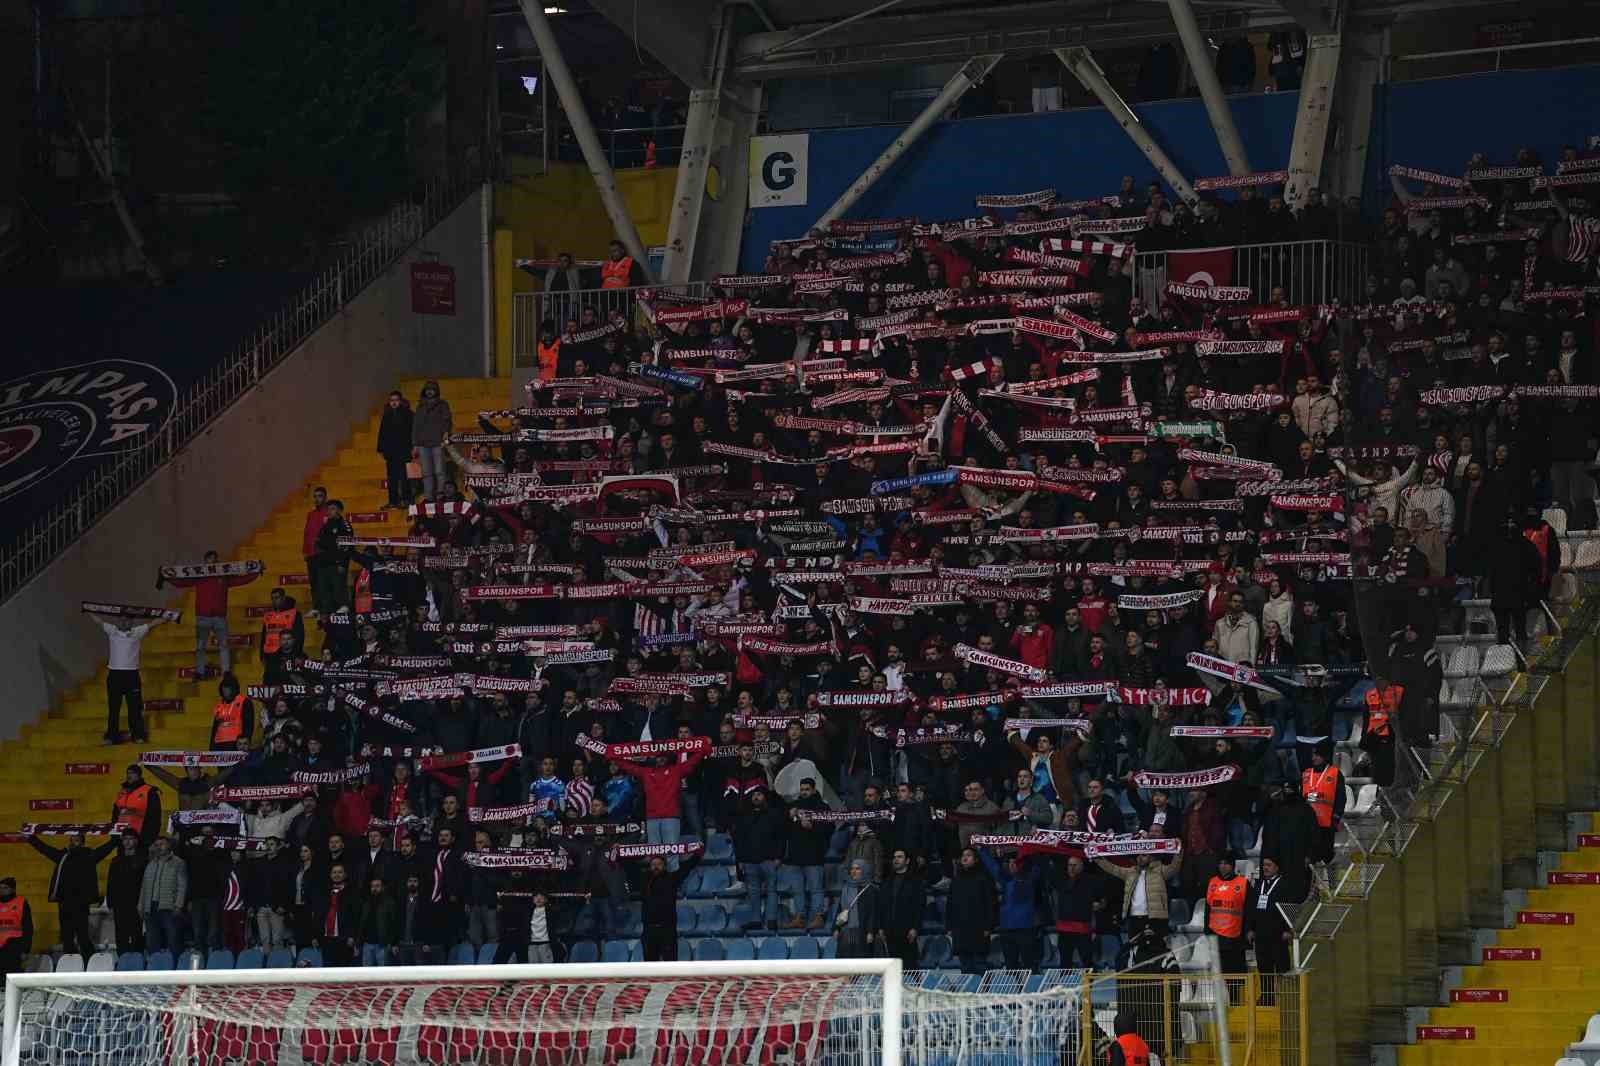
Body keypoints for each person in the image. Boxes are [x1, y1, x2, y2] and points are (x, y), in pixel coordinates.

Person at [157, 551, 260, 678]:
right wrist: (168, 577)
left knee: (223, 644)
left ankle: (226, 671)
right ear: (205, 561)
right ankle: (200, 672)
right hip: (203, 617)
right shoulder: (199, 576)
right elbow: (182, 583)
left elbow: (240, 580)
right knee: (201, 646)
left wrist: (256, 572)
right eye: (210, 559)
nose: (213, 561)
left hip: (219, 617)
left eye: (215, 559)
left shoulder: (223, 576)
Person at [24, 828, 119, 959]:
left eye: (77, 839)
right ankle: (70, 964)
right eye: (72, 839)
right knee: (67, 938)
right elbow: (45, 849)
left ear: (83, 842)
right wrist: (31, 838)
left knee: (82, 937)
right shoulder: (63, 856)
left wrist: (116, 836)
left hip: (81, 903)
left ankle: (89, 963)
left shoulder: (89, 855)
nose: (74, 841)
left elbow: (107, 848)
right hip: (64, 903)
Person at [92, 610, 167, 744]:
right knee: (114, 708)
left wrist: (168, 616)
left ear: (131, 621)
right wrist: (87, 609)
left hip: (132, 675)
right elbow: (98, 621)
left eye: (127, 620)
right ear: (118, 621)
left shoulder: (137, 632)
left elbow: (153, 624)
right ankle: (111, 737)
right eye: (122, 620)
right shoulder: (112, 631)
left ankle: (138, 736)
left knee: (134, 708)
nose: (124, 622)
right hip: (115, 675)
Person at [731, 788, 787, 931]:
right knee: (753, 894)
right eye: (754, 795)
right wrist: (741, 860)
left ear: (765, 797)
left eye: (759, 794)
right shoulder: (745, 816)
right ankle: (756, 920)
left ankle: (771, 920)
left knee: (772, 891)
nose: (756, 797)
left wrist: (779, 857)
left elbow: (781, 837)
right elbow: (740, 839)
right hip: (750, 861)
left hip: (769, 860)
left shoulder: (774, 814)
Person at [979, 847, 1043, 971]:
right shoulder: (1007, 881)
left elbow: (1039, 864)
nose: (1011, 865)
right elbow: (993, 868)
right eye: (1010, 863)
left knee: (1030, 965)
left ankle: (1033, 990)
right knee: (1010, 966)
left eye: (1015, 862)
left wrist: (1035, 845)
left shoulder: (1031, 879)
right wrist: (982, 850)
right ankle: (1015, 989)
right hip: (1007, 929)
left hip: (1026, 929)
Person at [636, 846, 703, 962]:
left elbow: (688, 866)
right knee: (650, 965)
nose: (656, 867)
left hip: (668, 929)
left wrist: (697, 853)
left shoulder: (672, 878)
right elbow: (629, 867)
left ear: (665, 866)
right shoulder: (643, 879)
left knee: (670, 962)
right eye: (653, 864)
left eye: (659, 864)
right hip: (649, 929)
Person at [1095, 848, 1179, 940]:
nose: (1139, 858)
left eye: (1144, 855)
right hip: (1133, 919)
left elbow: (1175, 867)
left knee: (1156, 949)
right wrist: (1096, 856)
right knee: (1134, 949)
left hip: (1155, 918)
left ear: (1151, 857)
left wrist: (1179, 849)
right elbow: (1112, 868)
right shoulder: (1130, 872)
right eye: (1138, 855)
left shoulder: (1160, 871)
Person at [1300, 740, 1344, 901]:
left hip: (1326, 825)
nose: (1314, 758)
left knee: (1328, 857)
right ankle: (1313, 892)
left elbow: (1340, 799)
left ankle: (1333, 888)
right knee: (1310, 859)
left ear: (1325, 756)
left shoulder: (1334, 773)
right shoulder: (1305, 774)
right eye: (1313, 754)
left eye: (1317, 754)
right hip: (1308, 826)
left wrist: (1335, 819)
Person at [1206, 853, 1250, 1004]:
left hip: (1235, 936)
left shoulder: (1243, 883)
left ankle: (1236, 1003)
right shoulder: (1213, 882)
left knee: (1235, 973)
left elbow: (1248, 911)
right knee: (1220, 972)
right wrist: (1207, 931)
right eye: (1221, 863)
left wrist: (1246, 932)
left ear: (1233, 866)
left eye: (1226, 863)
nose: (1223, 866)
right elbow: (1208, 908)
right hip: (1216, 935)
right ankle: (1223, 1004)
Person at [1251, 856, 1294, 1004]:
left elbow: (1290, 909)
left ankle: (1286, 998)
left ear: (1277, 867)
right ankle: (1267, 997)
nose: (1265, 868)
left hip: (1278, 935)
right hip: (1261, 934)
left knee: (1281, 967)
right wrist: (1251, 929)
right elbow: (1251, 908)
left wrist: (1288, 929)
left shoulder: (1285, 885)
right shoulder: (1259, 885)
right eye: (1264, 865)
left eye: (1269, 865)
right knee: (1264, 968)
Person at [948, 847, 997, 973]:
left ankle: (983, 992)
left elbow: (991, 903)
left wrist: (988, 926)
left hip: (979, 929)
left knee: (980, 966)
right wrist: (949, 926)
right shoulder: (956, 880)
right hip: (960, 930)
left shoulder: (984, 878)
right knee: (965, 968)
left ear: (976, 860)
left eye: (969, 855)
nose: (964, 857)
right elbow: (950, 905)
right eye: (963, 855)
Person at [878, 848, 927, 970]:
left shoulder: (916, 881)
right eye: (894, 857)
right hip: (890, 930)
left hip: (907, 931)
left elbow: (919, 907)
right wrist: (881, 927)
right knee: (894, 968)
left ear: (907, 861)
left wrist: (915, 928)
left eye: (900, 857)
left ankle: (912, 989)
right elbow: (882, 907)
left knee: (910, 967)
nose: (896, 860)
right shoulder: (887, 881)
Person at [137, 836, 187, 954]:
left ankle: (175, 967)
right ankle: (155, 966)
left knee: (173, 940)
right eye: (157, 844)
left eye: (162, 844)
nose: (159, 847)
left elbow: (182, 885)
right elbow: (144, 886)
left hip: (169, 906)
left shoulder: (178, 863)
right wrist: (140, 905)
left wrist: (179, 905)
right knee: (152, 941)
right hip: (150, 907)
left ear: (169, 846)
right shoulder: (151, 864)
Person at [105, 831, 146, 953]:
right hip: (119, 904)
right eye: (125, 839)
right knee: (120, 935)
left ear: (136, 841)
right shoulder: (115, 861)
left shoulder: (143, 860)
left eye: (130, 838)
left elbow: (145, 883)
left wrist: (142, 903)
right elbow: (111, 883)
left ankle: (137, 960)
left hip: (136, 903)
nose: (127, 842)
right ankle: (122, 960)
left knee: (136, 934)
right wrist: (110, 904)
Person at [412, 381, 453, 501]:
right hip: (423, 444)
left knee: (440, 472)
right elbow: (416, 426)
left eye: (432, 389)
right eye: (427, 389)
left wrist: (445, 435)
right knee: (426, 474)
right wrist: (415, 444)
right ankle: (429, 498)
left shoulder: (443, 404)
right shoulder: (420, 406)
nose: (429, 391)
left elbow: (447, 421)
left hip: (438, 443)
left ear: (436, 391)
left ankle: (441, 496)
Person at [834, 859, 880, 959]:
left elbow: (873, 912)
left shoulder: (870, 889)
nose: (854, 871)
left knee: (860, 964)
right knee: (845, 964)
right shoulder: (846, 887)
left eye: (858, 869)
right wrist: (836, 928)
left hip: (861, 932)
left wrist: (870, 932)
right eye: (852, 869)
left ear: (865, 870)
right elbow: (840, 909)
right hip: (845, 930)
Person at [377, 391, 416, 509]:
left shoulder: (409, 414)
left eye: (396, 400)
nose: (394, 402)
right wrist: (381, 449)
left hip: (404, 450)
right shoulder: (387, 415)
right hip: (391, 452)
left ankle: (406, 499)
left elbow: (413, 432)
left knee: (404, 477)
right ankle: (393, 501)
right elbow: (382, 433)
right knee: (392, 477)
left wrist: (414, 446)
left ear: (400, 401)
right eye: (391, 400)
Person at [258, 587, 305, 683]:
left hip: (288, 654)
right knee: (269, 682)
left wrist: (297, 653)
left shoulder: (294, 613)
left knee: (287, 681)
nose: (275, 601)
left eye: (277, 598)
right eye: (273, 598)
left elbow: (299, 635)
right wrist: (262, 655)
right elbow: (264, 636)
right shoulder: (268, 616)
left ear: (283, 598)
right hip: (270, 655)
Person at [111, 765, 162, 849]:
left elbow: (155, 817)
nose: (129, 775)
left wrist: (149, 838)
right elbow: (115, 814)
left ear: (139, 775)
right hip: (122, 837)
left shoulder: (149, 791)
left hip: (141, 837)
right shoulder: (122, 791)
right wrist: (114, 835)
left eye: (132, 773)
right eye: (127, 773)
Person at [300, 487, 331, 620]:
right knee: (314, 583)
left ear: (325, 498)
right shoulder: (310, 514)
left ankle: (325, 610)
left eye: (320, 496)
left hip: (323, 554)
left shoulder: (329, 513)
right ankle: (316, 608)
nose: (317, 499)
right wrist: (305, 551)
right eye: (315, 496)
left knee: (323, 583)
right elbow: (307, 534)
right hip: (311, 555)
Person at [0, 878, 34, 987]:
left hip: (14, 945)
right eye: (0, 888)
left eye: (5, 888)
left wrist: (26, 949)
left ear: (13, 889)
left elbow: (28, 927)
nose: (2, 890)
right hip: (0, 947)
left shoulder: (21, 902)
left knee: (12, 978)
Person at [357, 876, 398, 966]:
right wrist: (358, 943)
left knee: (383, 975)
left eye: (377, 886)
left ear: (383, 887)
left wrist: (393, 943)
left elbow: (394, 924)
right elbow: (361, 923)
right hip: (367, 944)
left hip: (382, 944)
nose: (374, 888)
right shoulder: (366, 903)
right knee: (366, 975)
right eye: (372, 886)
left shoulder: (390, 903)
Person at [208, 673, 255, 751]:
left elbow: (249, 725)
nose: (225, 691)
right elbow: (215, 727)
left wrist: (245, 744)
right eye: (224, 688)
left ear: (234, 688)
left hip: (236, 744)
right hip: (219, 744)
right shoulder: (219, 705)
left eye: (227, 688)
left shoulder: (244, 702)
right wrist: (211, 746)